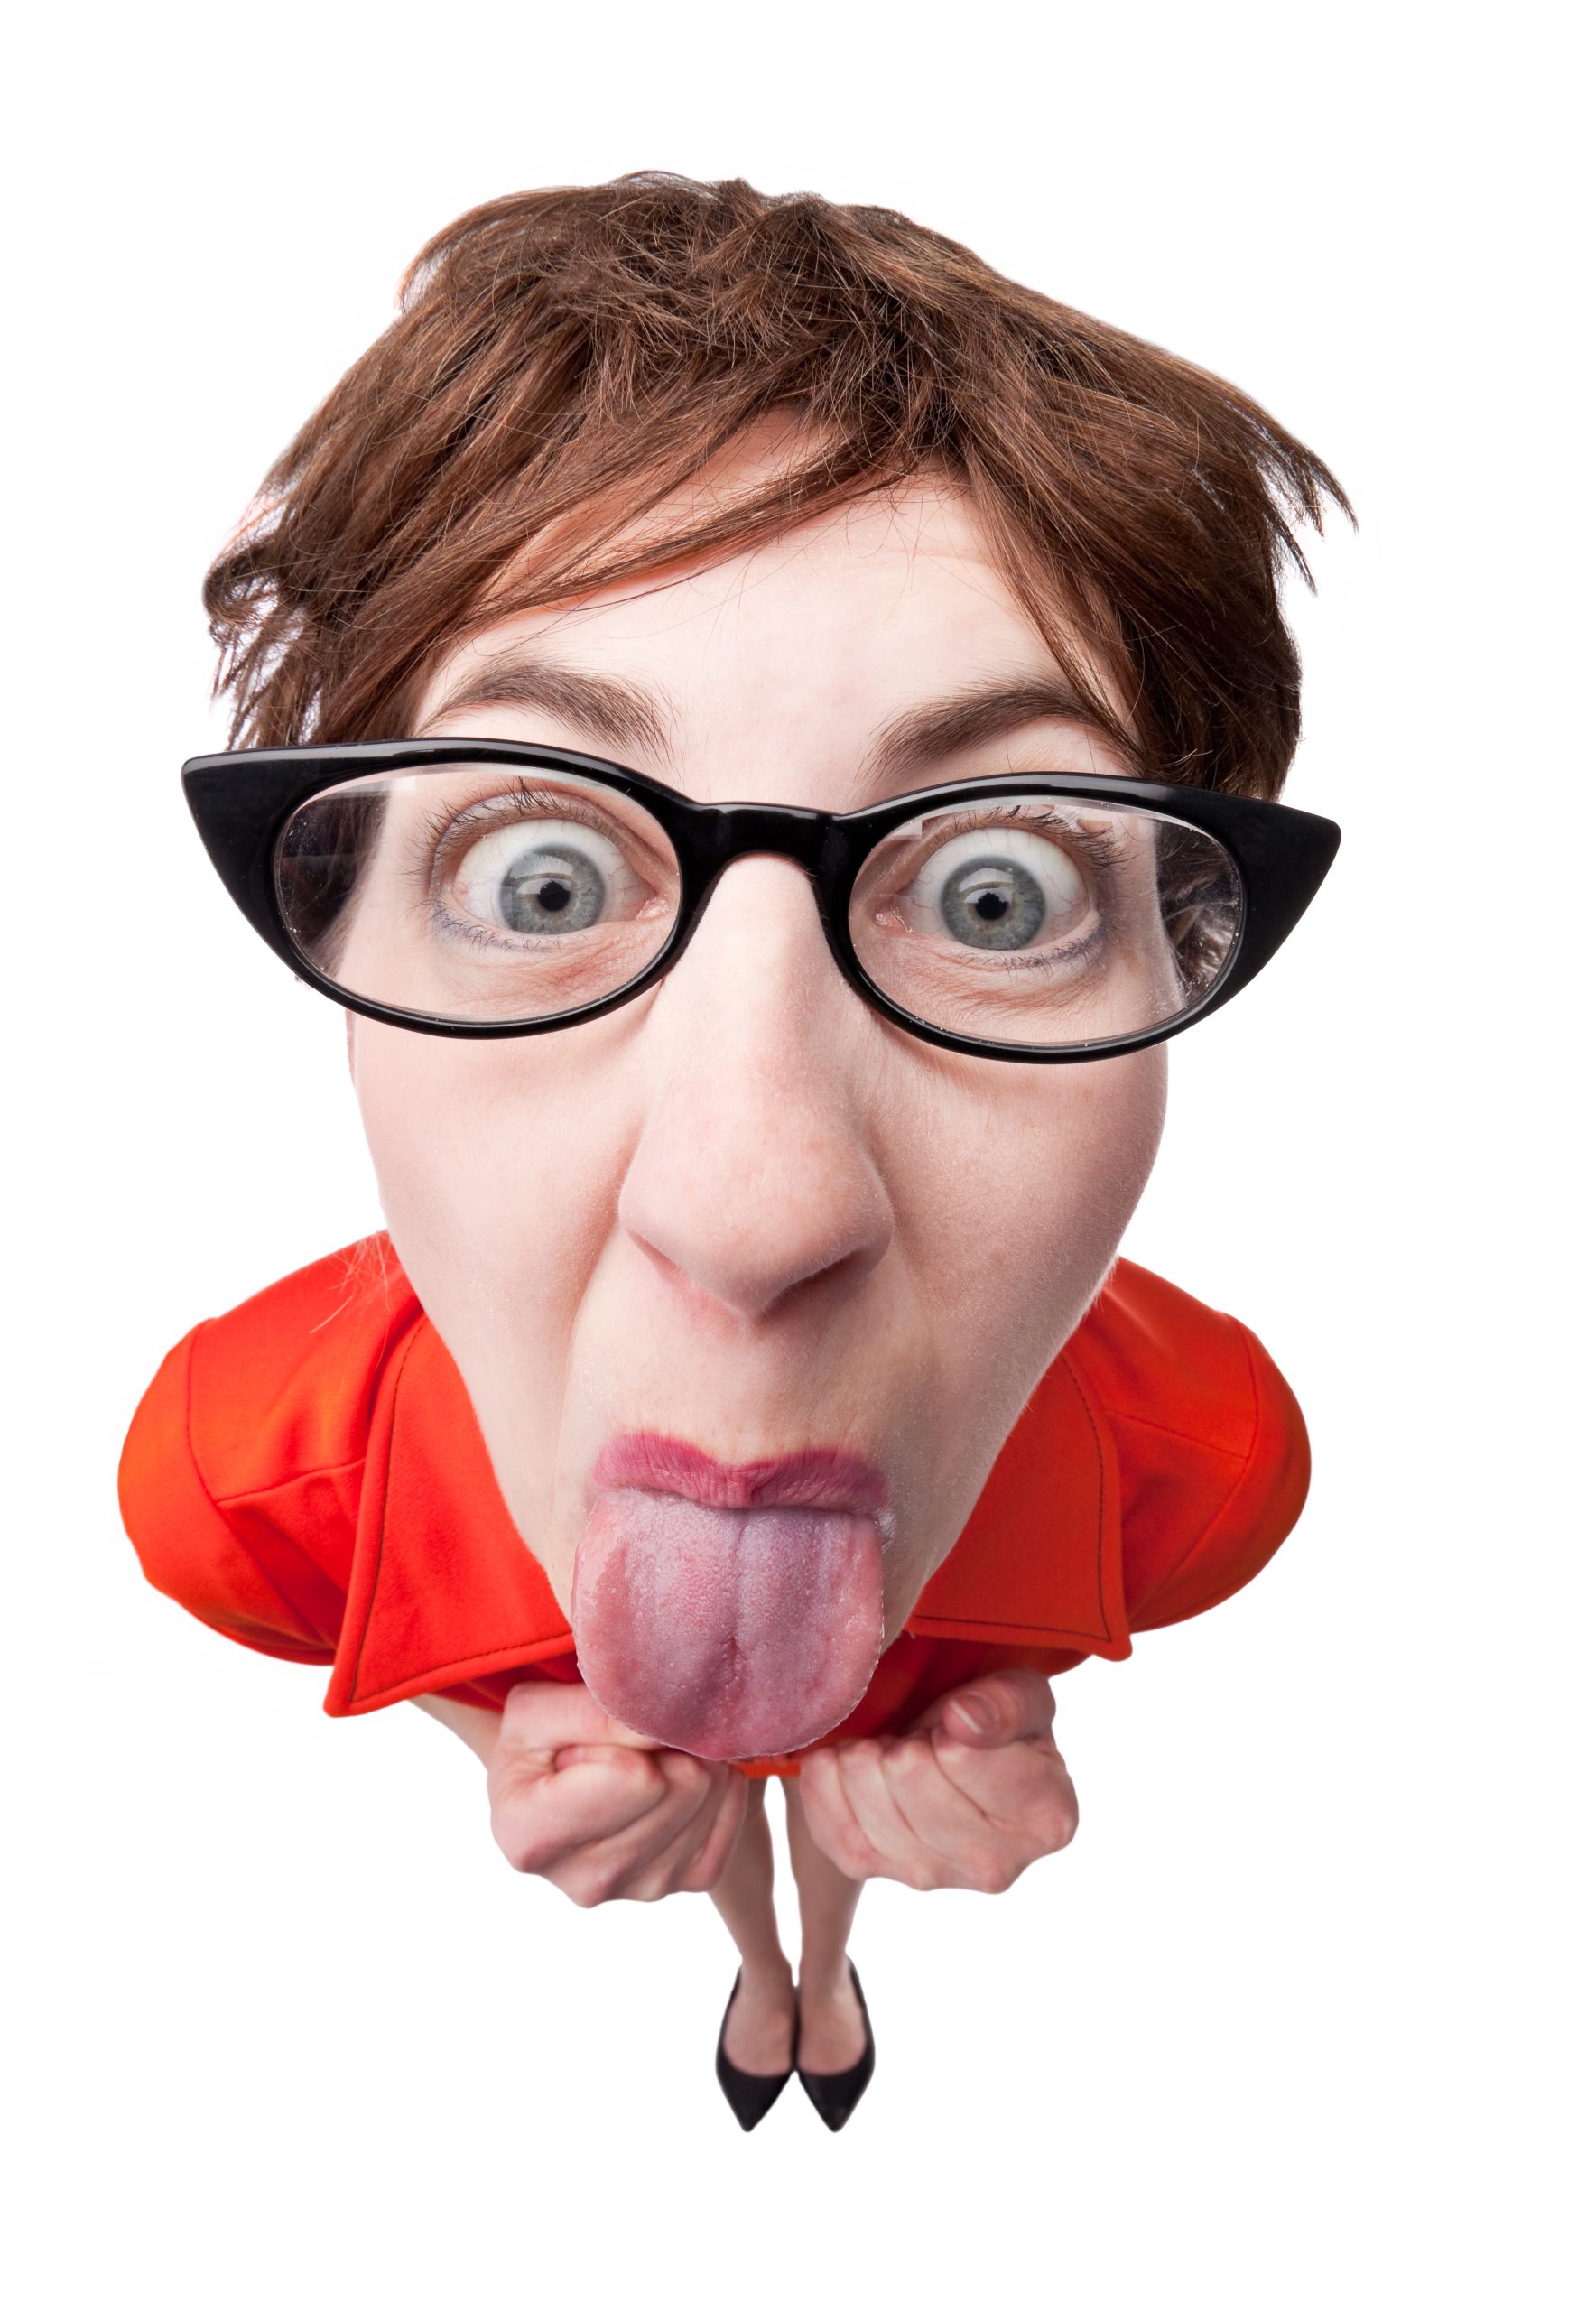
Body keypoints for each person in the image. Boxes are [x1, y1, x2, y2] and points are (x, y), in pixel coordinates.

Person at [119, 172, 1350, 2131]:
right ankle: (759, 1966)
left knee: (853, 1767)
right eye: (536, 877)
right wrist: (502, 1737)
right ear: (335, 944)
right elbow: (372, 1628)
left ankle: (824, 1965)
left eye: (1003, 892)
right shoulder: (242, 1469)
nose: (755, 1210)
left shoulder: (1197, 1456)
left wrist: (987, 1719)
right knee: (707, 1810)